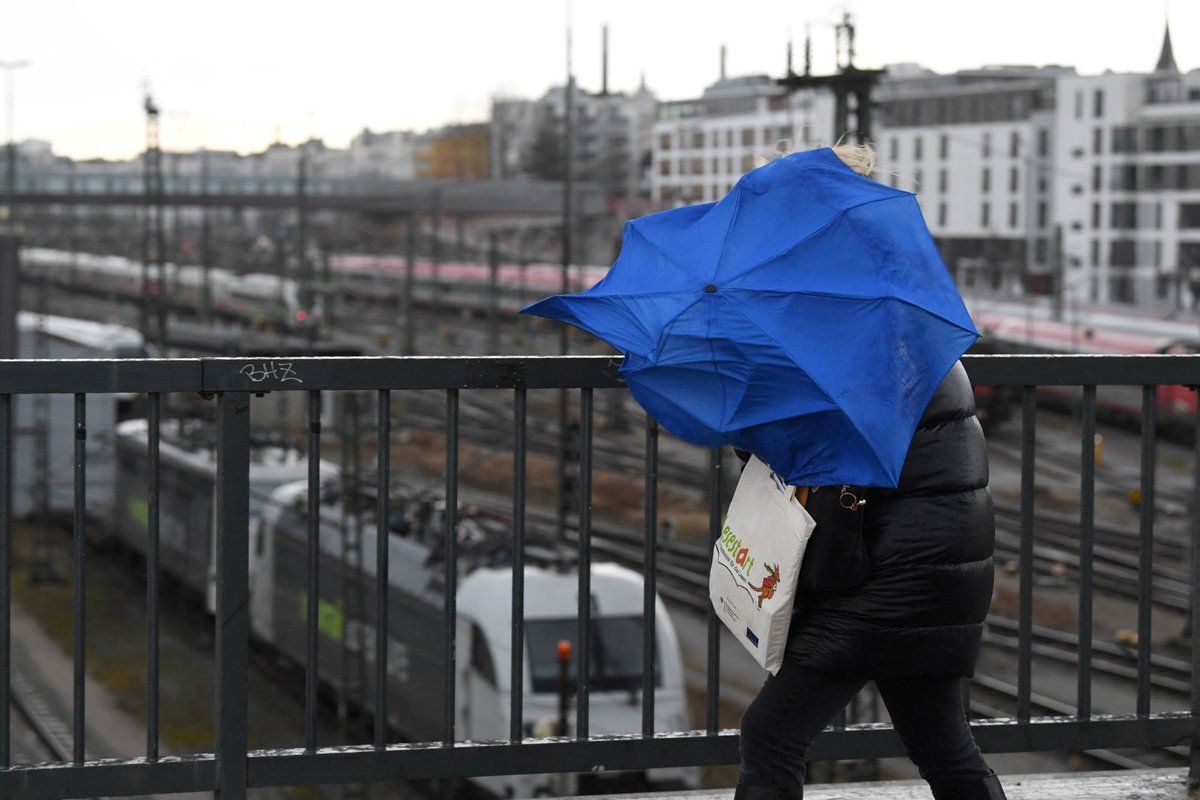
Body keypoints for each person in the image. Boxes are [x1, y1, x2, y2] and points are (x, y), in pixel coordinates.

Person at [734, 144, 1005, 800]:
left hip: (889, 573)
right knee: (944, 748)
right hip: (937, 564)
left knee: (771, 735)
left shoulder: (846, 316)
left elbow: (810, 443)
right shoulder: (886, 297)